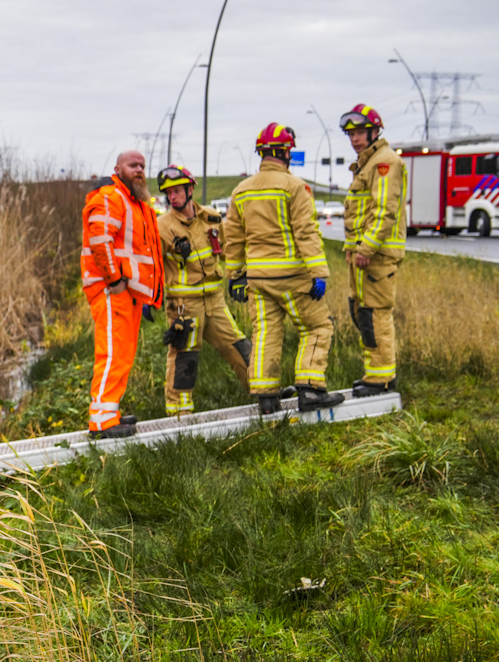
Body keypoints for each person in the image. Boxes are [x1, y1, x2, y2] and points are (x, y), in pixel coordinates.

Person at [222, 123, 338, 413]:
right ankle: (310, 389)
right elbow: (306, 232)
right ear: (286, 153)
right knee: (317, 327)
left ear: (261, 153)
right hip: (292, 277)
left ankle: (266, 396)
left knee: (266, 334)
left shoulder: (242, 190)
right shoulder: (294, 187)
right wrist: (319, 272)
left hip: (258, 280)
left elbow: (233, 238)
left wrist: (235, 277)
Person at [154, 164, 250, 415]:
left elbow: (231, 251)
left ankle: (262, 390)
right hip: (184, 304)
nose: (171, 196)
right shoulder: (162, 226)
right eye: (168, 192)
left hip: (215, 299)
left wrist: (239, 276)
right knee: (185, 354)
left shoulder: (211, 218)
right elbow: (151, 264)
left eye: (176, 191)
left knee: (237, 344)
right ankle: (179, 413)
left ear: (190, 189)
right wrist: (149, 297)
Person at [81, 149, 165, 436]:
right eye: (133, 165)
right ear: (118, 168)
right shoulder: (112, 197)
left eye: (142, 165)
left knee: (123, 355)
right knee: (112, 353)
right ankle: (102, 422)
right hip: (111, 289)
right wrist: (114, 279)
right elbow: (99, 237)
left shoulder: (137, 202)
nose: (139, 169)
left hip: (127, 292)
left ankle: (110, 412)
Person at [339, 104, 406, 396]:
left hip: (376, 256)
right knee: (362, 313)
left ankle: (382, 379)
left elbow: (384, 211)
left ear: (375, 131)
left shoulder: (384, 162)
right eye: (350, 134)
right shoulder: (368, 163)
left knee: (376, 314)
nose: (354, 139)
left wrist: (365, 248)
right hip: (364, 256)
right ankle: (375, 374)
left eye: (360, 133)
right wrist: (353, 248)